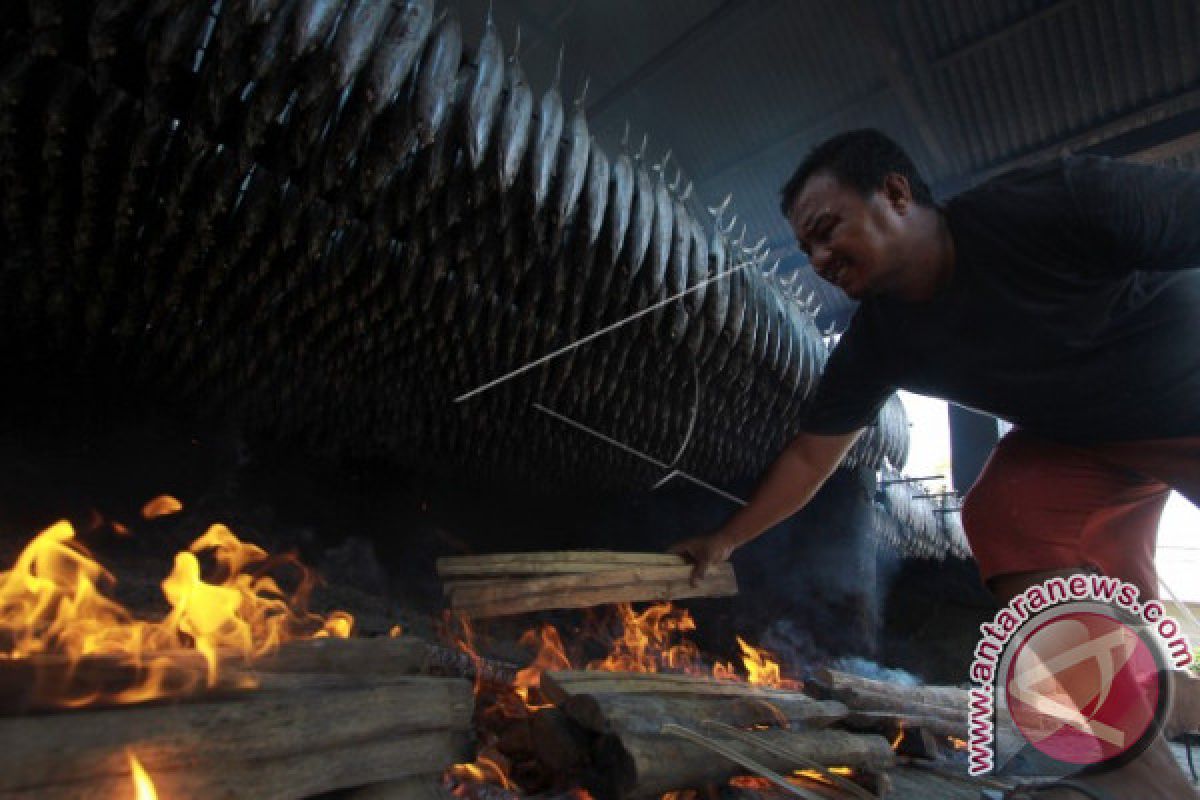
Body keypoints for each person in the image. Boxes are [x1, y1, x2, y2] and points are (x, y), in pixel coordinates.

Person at [668, 129, 1200, 799]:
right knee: (1008, 511)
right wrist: (725, 540)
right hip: (1084, 445)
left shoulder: (1053, 204)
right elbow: (811, 455)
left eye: (827, 230)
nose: (820, 258)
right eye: (807, 249)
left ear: (895, 193)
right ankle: (1140, 772)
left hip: (1187, 390)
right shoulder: (882, 340)